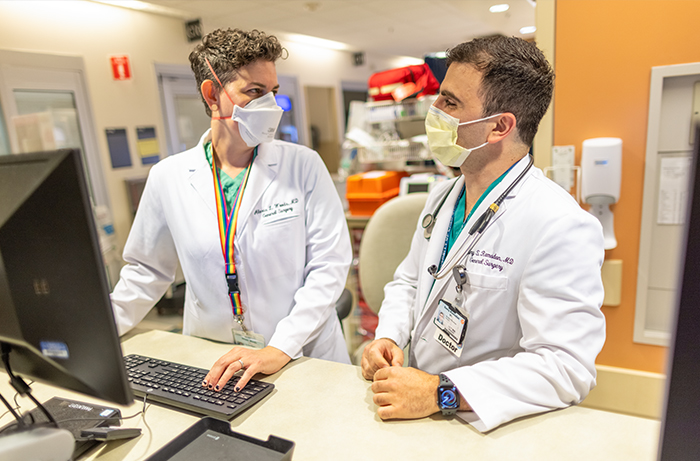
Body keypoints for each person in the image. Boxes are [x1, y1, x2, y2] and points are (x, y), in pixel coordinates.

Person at [361, 36, 606, 432]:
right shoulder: (443, 197)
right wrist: (388, 336)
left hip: (483, 421)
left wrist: (441, 391)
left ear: (499, 126)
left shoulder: (560, 224)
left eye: (450, 102)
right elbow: (410, 280)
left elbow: (565, 368)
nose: (433, 110)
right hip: (415, 407)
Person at [111, 28, 352, 393]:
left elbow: (328, 267)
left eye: (273, 93)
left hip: (304, 356)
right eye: (254, 92)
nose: (270, 106)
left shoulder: (303, 165)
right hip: (216, 362)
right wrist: (95, 335)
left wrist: (279, 348)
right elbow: (146, 271)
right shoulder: (168, 177)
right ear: (212, 96)